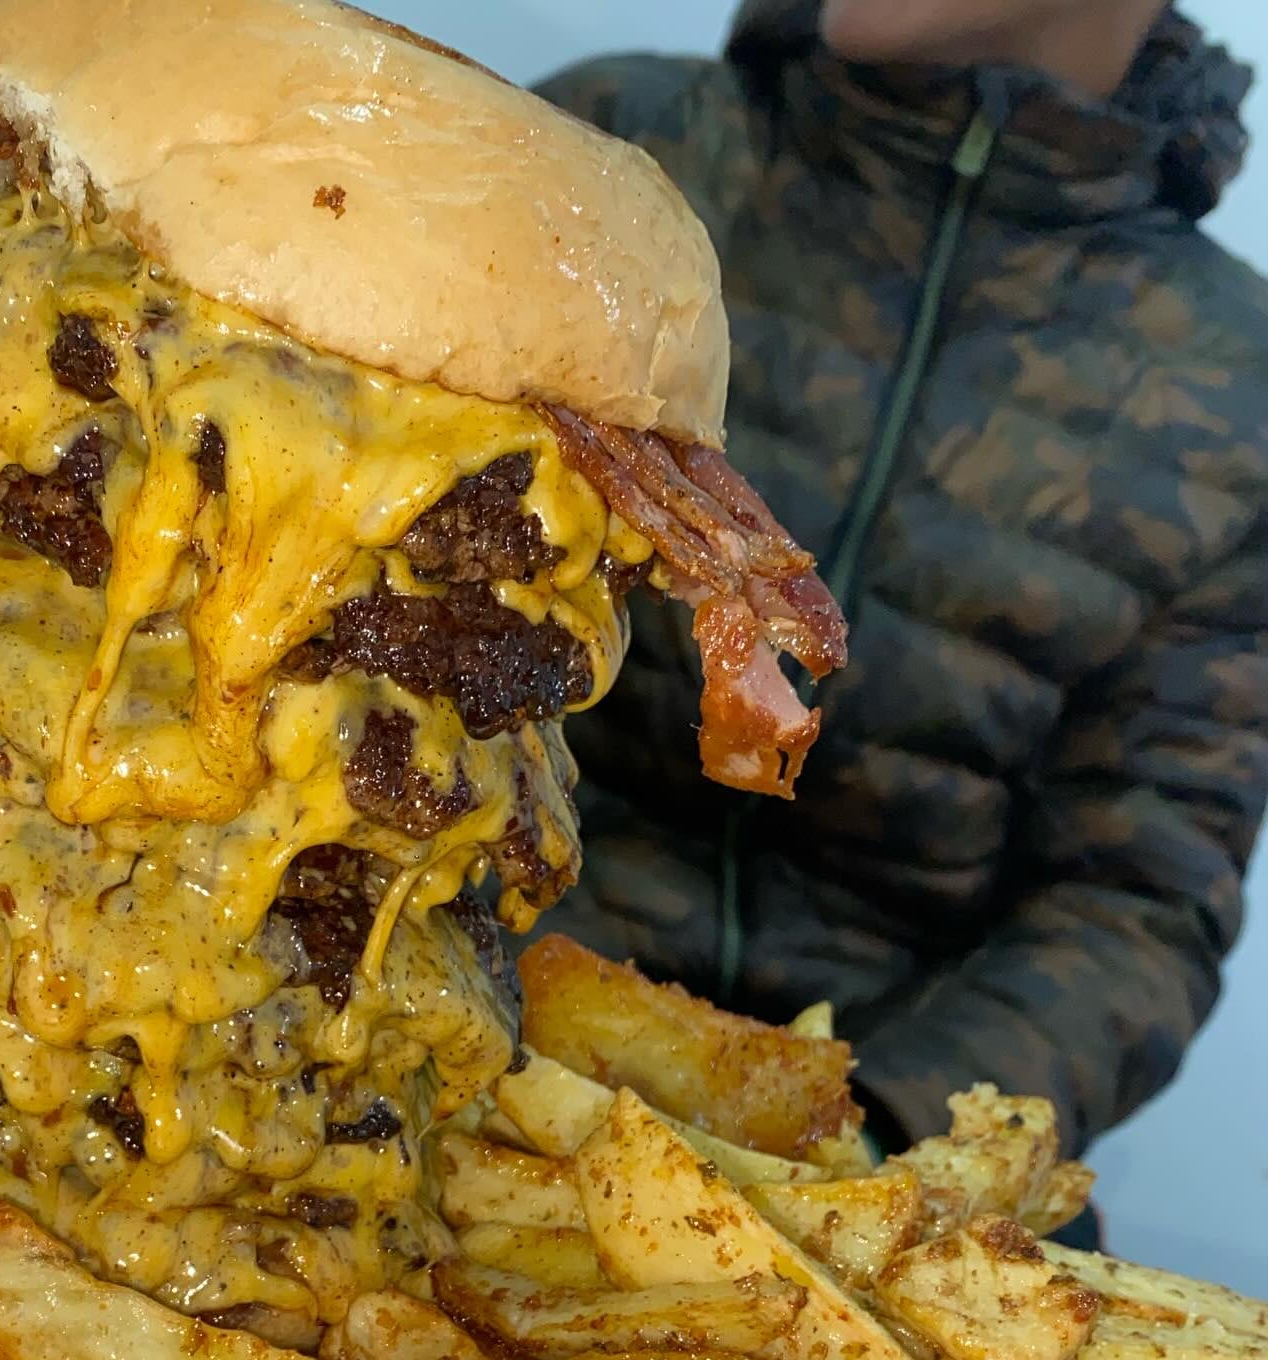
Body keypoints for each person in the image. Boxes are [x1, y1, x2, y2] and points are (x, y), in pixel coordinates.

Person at [533, 0, 1268, 1167]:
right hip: (460, 1031)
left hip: (871, 1154)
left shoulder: (1238, 395)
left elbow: (1131, 904)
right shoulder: (610, 146)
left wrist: (860, 1150)